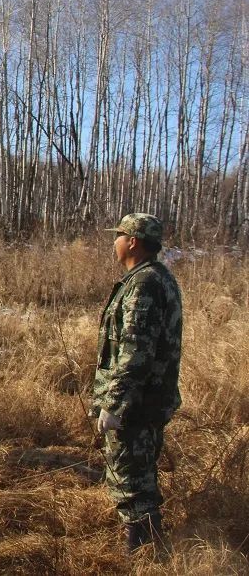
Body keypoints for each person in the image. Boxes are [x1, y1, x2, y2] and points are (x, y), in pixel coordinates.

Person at [92, 213, 182, 553]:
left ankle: (144, 552)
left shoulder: (145, 283)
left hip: (136, 403)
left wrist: (114, 404)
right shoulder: (152, 278)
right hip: (146, 399)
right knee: (139, 473)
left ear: (132, 241)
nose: (113, 241)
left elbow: (135, 351)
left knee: (131, 477)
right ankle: (149, 546)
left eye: (118, 235)